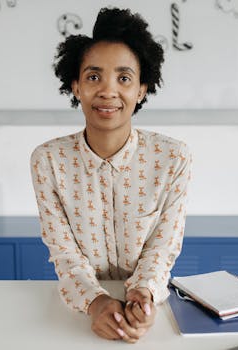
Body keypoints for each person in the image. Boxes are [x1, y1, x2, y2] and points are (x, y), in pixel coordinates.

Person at [30, 7, 191, 343]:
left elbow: (163, 246)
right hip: (78, 314)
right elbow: (64, 253)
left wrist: (143, 294)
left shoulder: (172, 158)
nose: (107, 91)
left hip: (147, 312)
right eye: (93, 77)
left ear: (142, 89)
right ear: (75, 86)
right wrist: (96, 301)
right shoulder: (49, 160)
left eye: (124, 78)